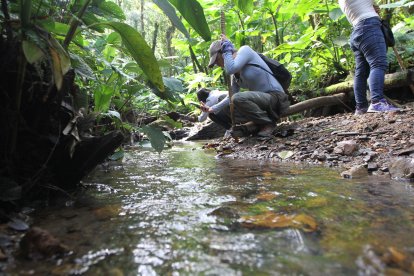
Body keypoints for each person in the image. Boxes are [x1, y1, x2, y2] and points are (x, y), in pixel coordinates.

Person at [202, 35, 290, 137]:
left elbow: (230, 69)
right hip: (262, 104)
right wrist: (212, 109)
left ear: (222, 53)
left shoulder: (245, 51)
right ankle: (256, 124)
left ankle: (268, 123)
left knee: (238, 98)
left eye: (216, 60)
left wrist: (226, 49)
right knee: (227, 105)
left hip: (275, 98)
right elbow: (230, 97)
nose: (217, 64)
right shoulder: (234, 75)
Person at [338, 0, 400, 114]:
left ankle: (361, 107)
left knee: (361, 72)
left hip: (357, 31)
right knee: (378, 64)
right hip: (369, 27)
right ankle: (377, 103)